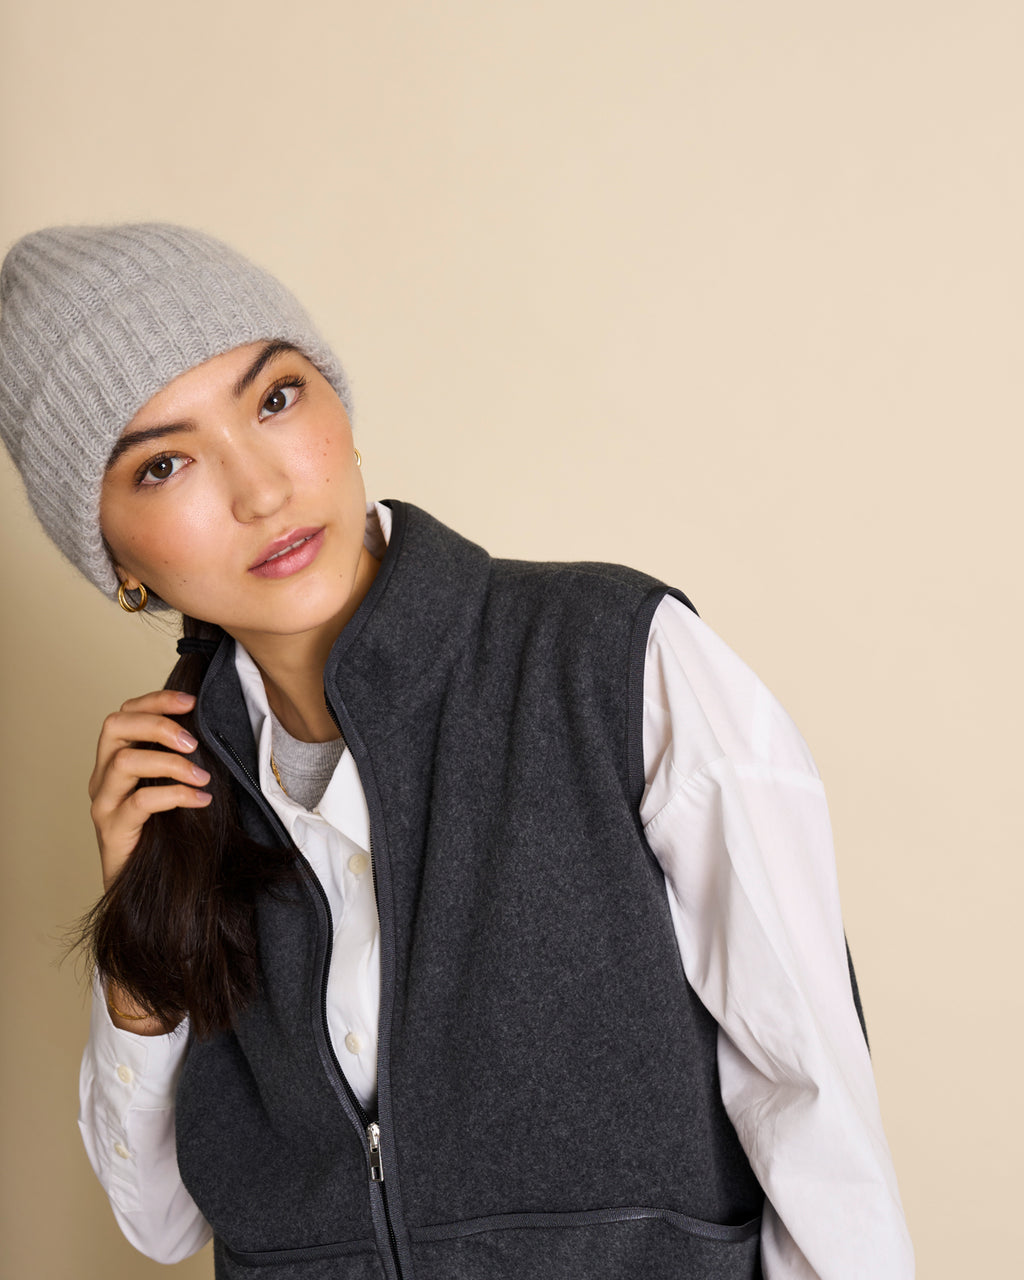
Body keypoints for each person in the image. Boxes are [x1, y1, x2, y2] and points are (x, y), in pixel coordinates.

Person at [0, 223, 913, 1280]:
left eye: (275, 399)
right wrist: (137, 954)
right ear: (115, 559)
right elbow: (160, 1222)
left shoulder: (614, 663)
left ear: (336, 403)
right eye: (164, 464)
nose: (260, 490)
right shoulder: (181, 794)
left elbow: (813, 1102)